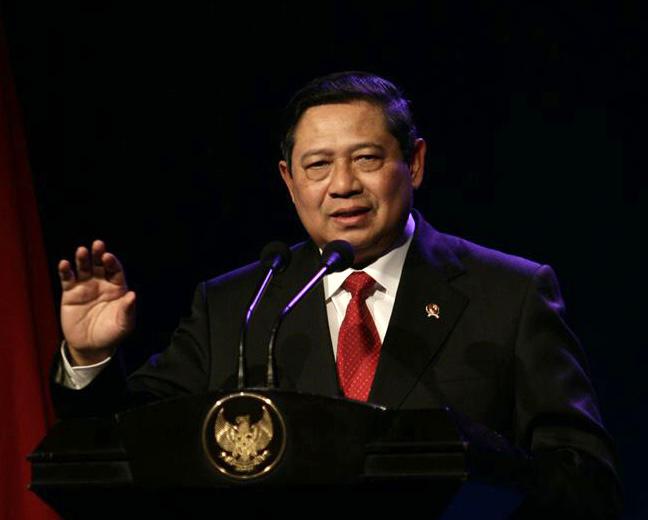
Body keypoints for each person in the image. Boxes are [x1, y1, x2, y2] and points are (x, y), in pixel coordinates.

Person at [53, 71, 621, 517]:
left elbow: (584, 479)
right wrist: (90, 358)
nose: (343, 185)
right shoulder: (236, 305)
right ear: (289, 180)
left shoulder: (509, 293)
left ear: (414, 163)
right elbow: (125, 446)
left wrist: (476, 472)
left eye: (366, 159)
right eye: (318, 165)